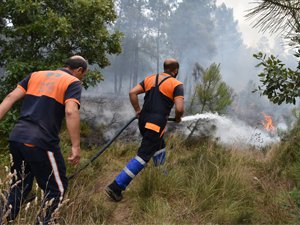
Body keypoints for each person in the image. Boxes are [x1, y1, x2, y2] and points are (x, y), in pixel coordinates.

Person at [0, 55, 87, 224]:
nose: (81, 79)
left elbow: (10, 97)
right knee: (57, 190)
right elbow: (70, 111)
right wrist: (76, 146)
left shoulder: (36, 75)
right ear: (79, 70)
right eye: (82, 75)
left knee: (17, 187)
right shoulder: (72, 82)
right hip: (41, 142)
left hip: (17, 137)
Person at [106, 58, 184, 202]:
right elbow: (179, 108)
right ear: (176, 71)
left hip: (143, 122)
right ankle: (116, 187)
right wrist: (178, 117)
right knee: (143, 156)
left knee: (159, 146)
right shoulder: (177, 85)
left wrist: (138, 110)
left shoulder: (150, 79)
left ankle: (161, 176)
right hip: (155, 125)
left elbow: (132, 93)